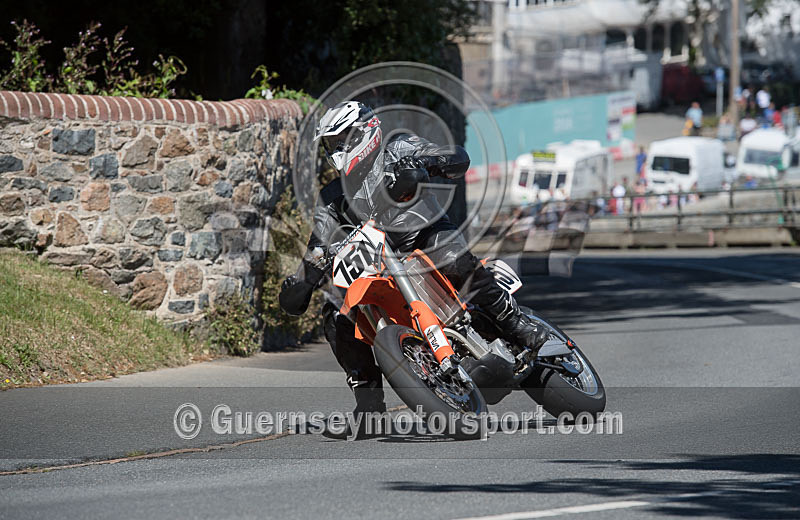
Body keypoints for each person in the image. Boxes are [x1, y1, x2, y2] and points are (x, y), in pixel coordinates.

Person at [279, 101, 549, 419]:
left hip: (426, 236)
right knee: (337, 311)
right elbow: (319, 245)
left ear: (362, 132)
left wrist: (432, 164)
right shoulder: (332, 196)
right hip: (380, 264)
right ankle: (369, 404)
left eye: (339, 141)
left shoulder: (397, 146)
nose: (335, 150)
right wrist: (303, 281)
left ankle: (515, 324)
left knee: (454, 262)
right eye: (330, 144)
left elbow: (453, 157)